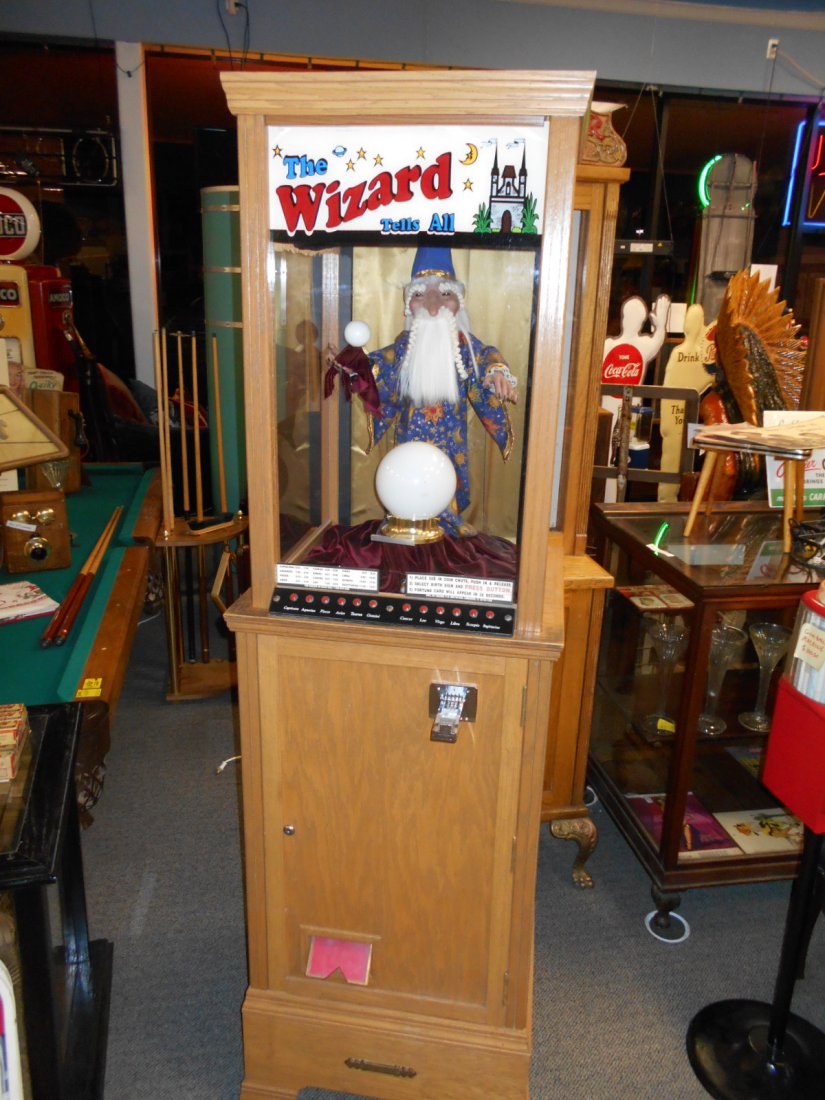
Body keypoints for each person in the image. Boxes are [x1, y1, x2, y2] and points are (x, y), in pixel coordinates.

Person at [328, 246, 517, 536]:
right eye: (419, 295)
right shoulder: (404, 347)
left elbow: (486, 356)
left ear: (458, 301)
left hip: (450, 440)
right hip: (409, 438)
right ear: (408, 304)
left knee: (447, 481)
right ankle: (405, 519)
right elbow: (378, 368)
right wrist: (354, 366)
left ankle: (447, 522)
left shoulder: (462, 347)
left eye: (444, 294)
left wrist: (496, 373)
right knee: (407, 482)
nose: (432, 306)